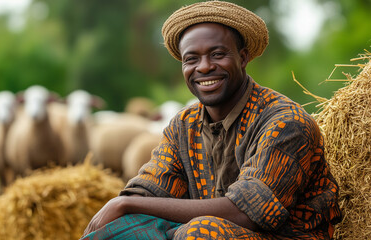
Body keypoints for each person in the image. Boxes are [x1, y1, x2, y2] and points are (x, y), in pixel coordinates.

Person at [81, 1, 342, 239]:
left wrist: (126, 204)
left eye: (217, 54)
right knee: (115, 230)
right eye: (191, 59)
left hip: (287, 237)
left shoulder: (286, 123)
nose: (204, 67)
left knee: (199, 233)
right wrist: (120, 210)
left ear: (243, 57)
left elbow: (247, 214)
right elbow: (151, 187)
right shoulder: (183, 125)